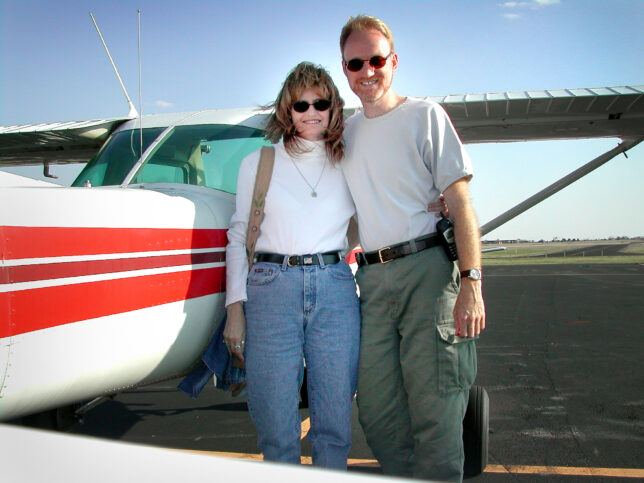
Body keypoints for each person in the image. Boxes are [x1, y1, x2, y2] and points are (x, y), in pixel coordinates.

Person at [338, 15, 486, 482]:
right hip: (374, 280)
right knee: (378, 416)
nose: (367, 71)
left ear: (393, 61)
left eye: (376, 60)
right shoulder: (345, 133)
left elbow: (460, 203)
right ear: (344, 69)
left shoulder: (425, 115)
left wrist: (472, 282)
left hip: (427, 272)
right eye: (355, 63)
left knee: (437, 413)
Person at [223, 62, 360, 469]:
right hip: (271, 288)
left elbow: (375, 213)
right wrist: (235, 308)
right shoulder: (258, 163)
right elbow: (236, 236)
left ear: (335, 107)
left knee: (334, 419)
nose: (312, 111)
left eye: (321, 102)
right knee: (275, 421)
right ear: (288, 109)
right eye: (302, 104)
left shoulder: (350, 161)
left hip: (335, 287)